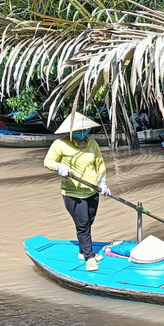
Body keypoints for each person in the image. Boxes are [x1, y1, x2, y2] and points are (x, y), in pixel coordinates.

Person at [43, 112, 111, 272]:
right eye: (79, 130)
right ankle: (89, 257)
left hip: (92, 190)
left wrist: (103, 182)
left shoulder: (92, 144)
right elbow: (48, 161)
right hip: (73, 193)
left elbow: (99, 163)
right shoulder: (60, 144)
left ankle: (82, 250)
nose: (82, 132)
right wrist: (60, 167)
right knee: (83, 225)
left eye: (85, 129)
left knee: (89, 221)